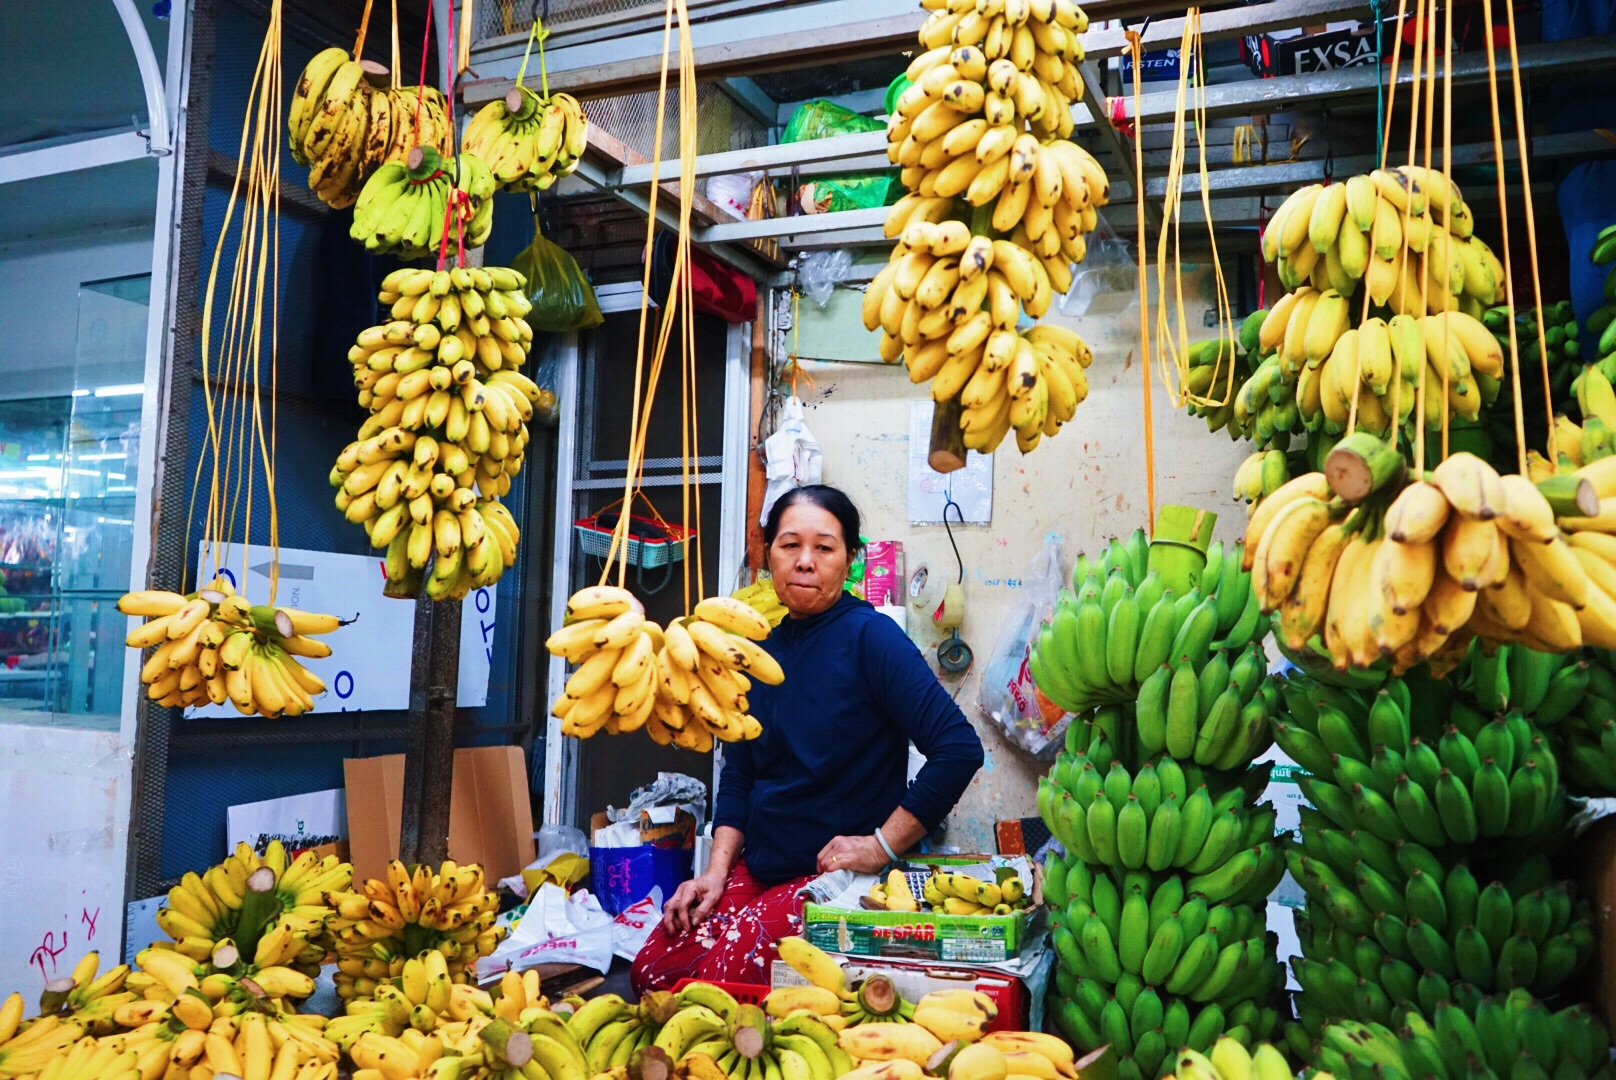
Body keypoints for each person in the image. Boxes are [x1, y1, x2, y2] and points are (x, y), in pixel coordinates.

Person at [630, 485, 985, 993]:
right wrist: (714, 874)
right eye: (789, 545)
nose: (804, 561)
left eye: (824, 547)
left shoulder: (871, 638)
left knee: (716, 983)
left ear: (850, 561)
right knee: (654, 970)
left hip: (838, 882)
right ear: (768, 554)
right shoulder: (759, 653)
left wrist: (881, 846)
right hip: (761, 870)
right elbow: (741, 774)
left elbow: (958, 749)